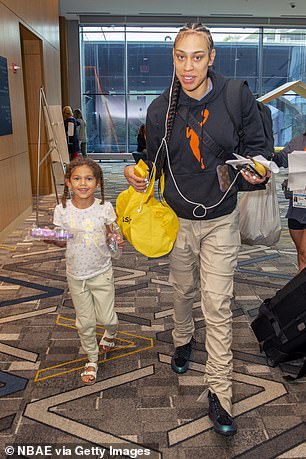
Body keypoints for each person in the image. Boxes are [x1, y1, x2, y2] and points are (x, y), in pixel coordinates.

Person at [124, 23, 268, 436]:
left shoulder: (236, 96)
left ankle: (220, 395)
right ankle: (183, 338)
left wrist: (255, 173)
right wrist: (140, 177)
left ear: (212, 57)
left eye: (197, 56)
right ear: (173, 58)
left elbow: (258, 151)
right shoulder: (159, 108)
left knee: (218, 305)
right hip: (178, 220)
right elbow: (154, 163)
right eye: (181, 57)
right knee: (184, 291)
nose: (189, 67)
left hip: (221, 219)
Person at [51, 157, 122, 385]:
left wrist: (116, 239)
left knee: (107, 318)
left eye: (89, 178)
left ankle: (111, 333)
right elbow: (60, 240)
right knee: (85, 322)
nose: (83, 183)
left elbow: (113, 235)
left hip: (101, 271)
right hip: (76, 275)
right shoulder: (62, 209)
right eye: (77, 178)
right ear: (68, 182)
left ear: (98, 182)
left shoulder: (104, 208)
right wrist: (54, 238)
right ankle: (91, 358)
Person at [273, 130, 306, 271]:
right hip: (298, 206)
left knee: (305, 251)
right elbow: (281, 159)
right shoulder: (298, 141)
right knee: (301, 253)